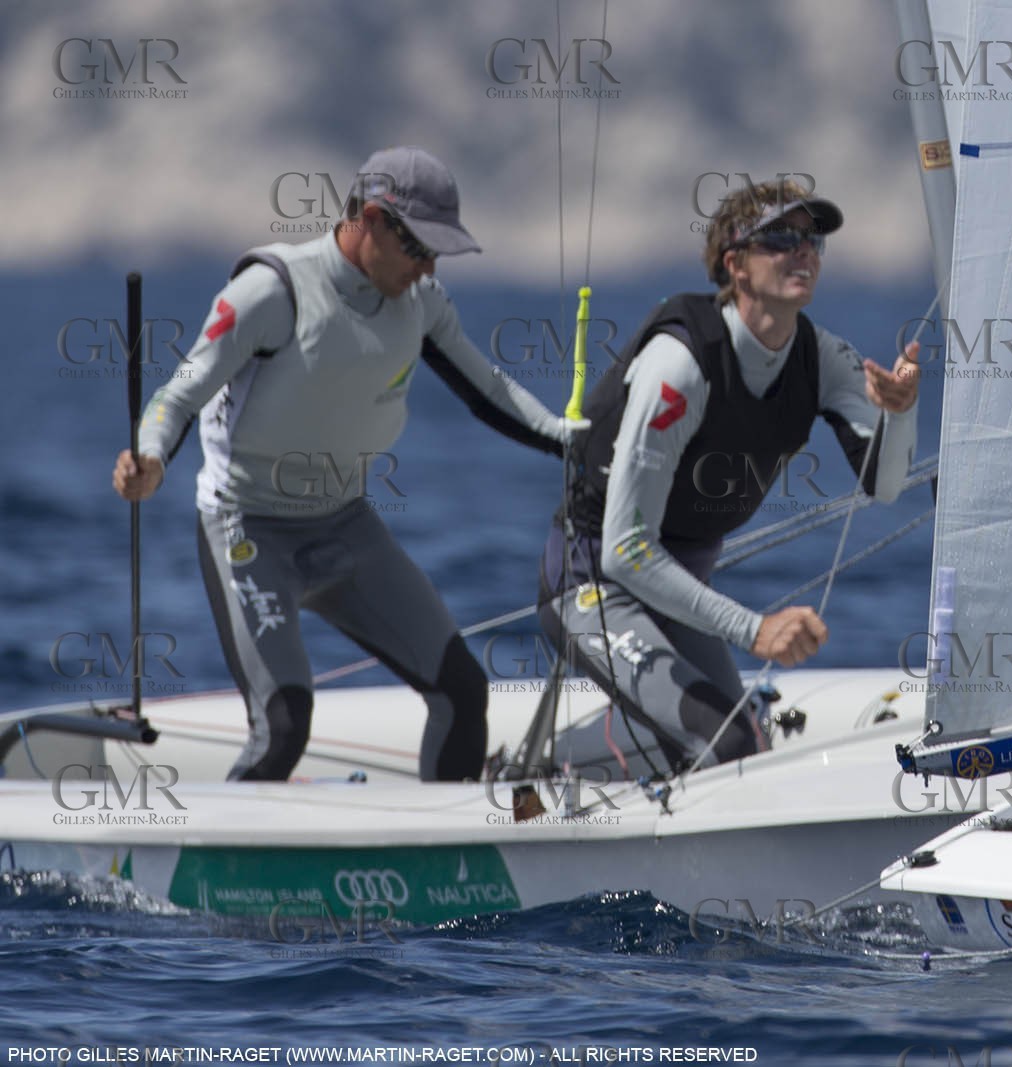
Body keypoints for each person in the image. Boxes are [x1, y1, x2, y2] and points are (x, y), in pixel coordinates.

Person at [112, 146, 584, 782]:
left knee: (464, 694)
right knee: (284, 727)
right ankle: (223, 869)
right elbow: (178, 394)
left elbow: (490, 393)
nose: (429, 267)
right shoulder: (271, 291)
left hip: (345, 525)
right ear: (370, 219)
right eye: (420, 247)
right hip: (247, 528)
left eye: (439, 252)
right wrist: (150, 460)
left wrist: (569, 439)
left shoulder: (423, 303)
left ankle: (441, 860)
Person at [538, 178, 920, 772]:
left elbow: (886, 486)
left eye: (812, 241)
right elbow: (623, 550)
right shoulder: (680, 366)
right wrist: (754, 629)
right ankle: (549, 775)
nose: (803, 251)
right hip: (596, 587)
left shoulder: (824, 359)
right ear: (735, 265)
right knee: (729, 747)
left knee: (747, 751)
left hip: (679, 593)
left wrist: (901, 414)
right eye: (781, 238)